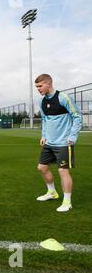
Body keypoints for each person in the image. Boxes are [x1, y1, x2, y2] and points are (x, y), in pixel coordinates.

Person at [35, 74, 82, 212]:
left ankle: (67, 202)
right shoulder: (41, 101)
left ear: (49, 84)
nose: (38, 89)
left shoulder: (63, 98)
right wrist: (44, 136)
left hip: (64, 142)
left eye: (40, 86)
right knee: (42, 168)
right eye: (36, 86)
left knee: (63, 171)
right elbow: (44, 119)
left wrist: (72, 136)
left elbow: (77, 116)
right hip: (49, 142)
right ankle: (52, 192)